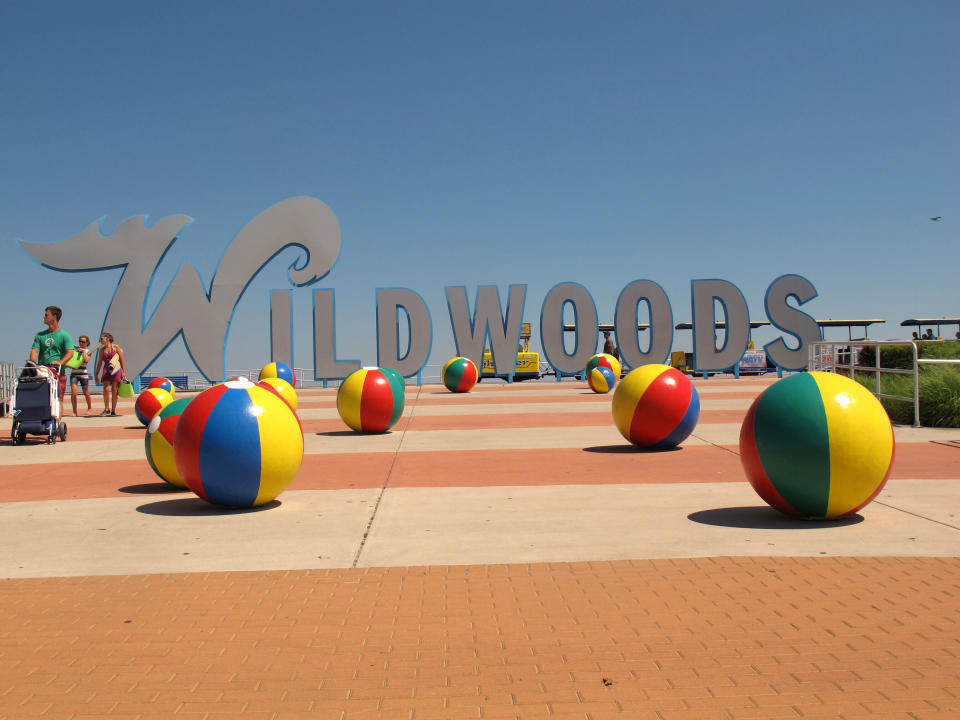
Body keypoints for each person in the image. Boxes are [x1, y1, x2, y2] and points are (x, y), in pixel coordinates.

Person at [29, 305, 74, 421]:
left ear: (54, 317)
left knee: (58, 398)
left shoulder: (64, 335)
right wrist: (32, 364)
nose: (44, 317)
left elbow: (70, 353)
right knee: (41, 397)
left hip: (58, 373)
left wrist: (60, 362)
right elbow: (34, 351)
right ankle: (42, 421)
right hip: (43, 371)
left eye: (46, 315)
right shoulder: (40, 335)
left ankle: (57, 424)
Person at [95, 332, 125, 416]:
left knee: (115, 390)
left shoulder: (115, 347)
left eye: (102, 338)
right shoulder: (101, 350)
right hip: (106, 369)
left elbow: (121, 359)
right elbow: (99, 363)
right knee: (106, 388)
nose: (100, 340)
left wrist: (123, 371)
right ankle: (106, 408)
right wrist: (96, 374)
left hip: (116, 369)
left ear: (107, 339)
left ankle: (113, 410)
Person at [69, 335, 94, 416]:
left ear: (87, 343)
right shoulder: (75, 350)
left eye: (83, 341)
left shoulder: (88, 351)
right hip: (74, 373)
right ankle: (74, 411)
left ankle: (89, 408)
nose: (81, 343)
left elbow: (86, 360)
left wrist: (83, 351)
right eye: (80, 341)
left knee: (86, 392)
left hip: (83, 373)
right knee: (73, 392)